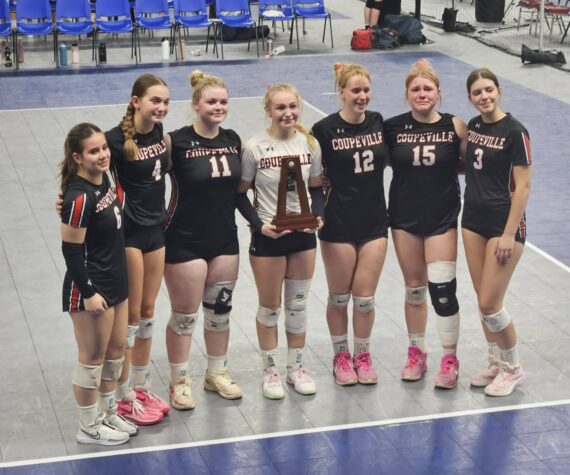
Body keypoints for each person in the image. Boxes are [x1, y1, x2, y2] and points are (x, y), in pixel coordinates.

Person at [384, 59, 468, 389]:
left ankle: (450, 358)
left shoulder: (455, 125)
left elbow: (468, 164)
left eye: (428, 88)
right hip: (404, 217)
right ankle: (416, 352)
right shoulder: (391, 128)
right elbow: (380, 164)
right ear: (407, 94)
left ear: (439, 93)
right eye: (416, 89)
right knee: (415, 289)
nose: (422, 94)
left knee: (443, 290)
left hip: (442, 217)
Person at [237, 83, 324, 400]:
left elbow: (315, 188)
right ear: (268, 111)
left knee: (298, 306)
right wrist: (260, 227)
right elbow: (240, 193)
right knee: (270, 307)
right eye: (280, 108)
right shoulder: (253, 147)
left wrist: (318, 215)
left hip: (302, 237)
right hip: (270, 240)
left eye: (292, 107)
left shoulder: (309, 143)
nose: (287, 113)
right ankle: (270, 371)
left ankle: (296, 368)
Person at [164, 70, 243, 410]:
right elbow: (141, 175)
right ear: (196, 104)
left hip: (225, 240)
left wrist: (257, 223)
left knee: (220, 313)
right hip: (184, 241)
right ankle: (180, 379)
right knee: (184, 316)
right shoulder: (175, 141)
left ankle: (216, 373)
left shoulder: (233, 139)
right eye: (211, 101)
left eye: (223, 101)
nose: (218, 106)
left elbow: (240, 192)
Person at [59, 123, 137, 445]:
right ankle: (88, 428)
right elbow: (71, 250)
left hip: (116, 280)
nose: (103, 154)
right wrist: (89, 293)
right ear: (78, 157)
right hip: (90, 287)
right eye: (94, 151)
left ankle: (107, 413)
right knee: (92, 360)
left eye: (104, 148)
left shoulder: (104, 179)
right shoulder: (77, 197)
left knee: (116, 353)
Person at [311, 63, 387, 386]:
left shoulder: (379, 122)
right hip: (338, 221)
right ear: (341, 91)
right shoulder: (323, 129)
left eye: (366, 90)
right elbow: (310, 175)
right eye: (355, 90)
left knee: (365, 298)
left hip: (374, 221)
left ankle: (363, 355)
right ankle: (341, 356)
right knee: (340, 297)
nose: (362, 96)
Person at [105, 74, 171, 425]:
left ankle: (141, 385)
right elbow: (89, 178)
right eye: (154, 101)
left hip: (154, 232)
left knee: (147, 311)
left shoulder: (159, 134)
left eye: (165, 102)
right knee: (129, 318)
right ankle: (122, 394)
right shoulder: (114, 141)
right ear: (136, 102)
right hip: (129, 235)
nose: (160, 107)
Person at [462, 68, 532, 397]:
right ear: (471, 98)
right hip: (472, 220)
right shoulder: (474, 126)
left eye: (489, 90)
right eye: (477, 93)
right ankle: (495, 361)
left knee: (491, 303)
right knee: (482, 301)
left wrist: (508, 234)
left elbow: (523, 186)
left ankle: (513, 368)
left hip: (503, 225)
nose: (484, 97)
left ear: (499, 90)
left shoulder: (515, 131)